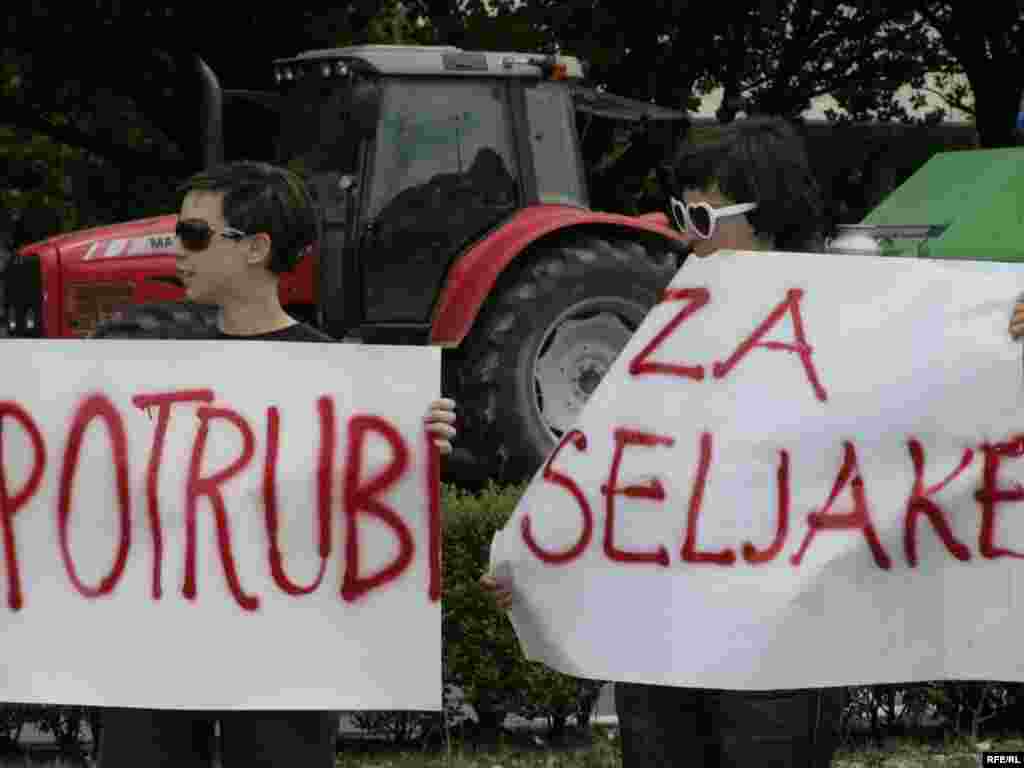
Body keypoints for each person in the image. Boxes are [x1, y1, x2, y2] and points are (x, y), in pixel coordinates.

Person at [481, 117, 844, 767]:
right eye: (679, 213)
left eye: (701, 218)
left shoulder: (849, 324)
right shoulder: (662, 325)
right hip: (662, 630)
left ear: (769, 216)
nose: (684, 234)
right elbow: (604, 462)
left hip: (779, 639)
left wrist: (1005, 331)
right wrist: (531, 556)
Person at [94, 161, 457, 768]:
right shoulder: (144, 369)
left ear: (256, 248)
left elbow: (357, 516)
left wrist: (414, 449)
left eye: (193, 235)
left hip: (287, 648)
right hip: (155, 640)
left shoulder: (345, 384)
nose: (175, 251)